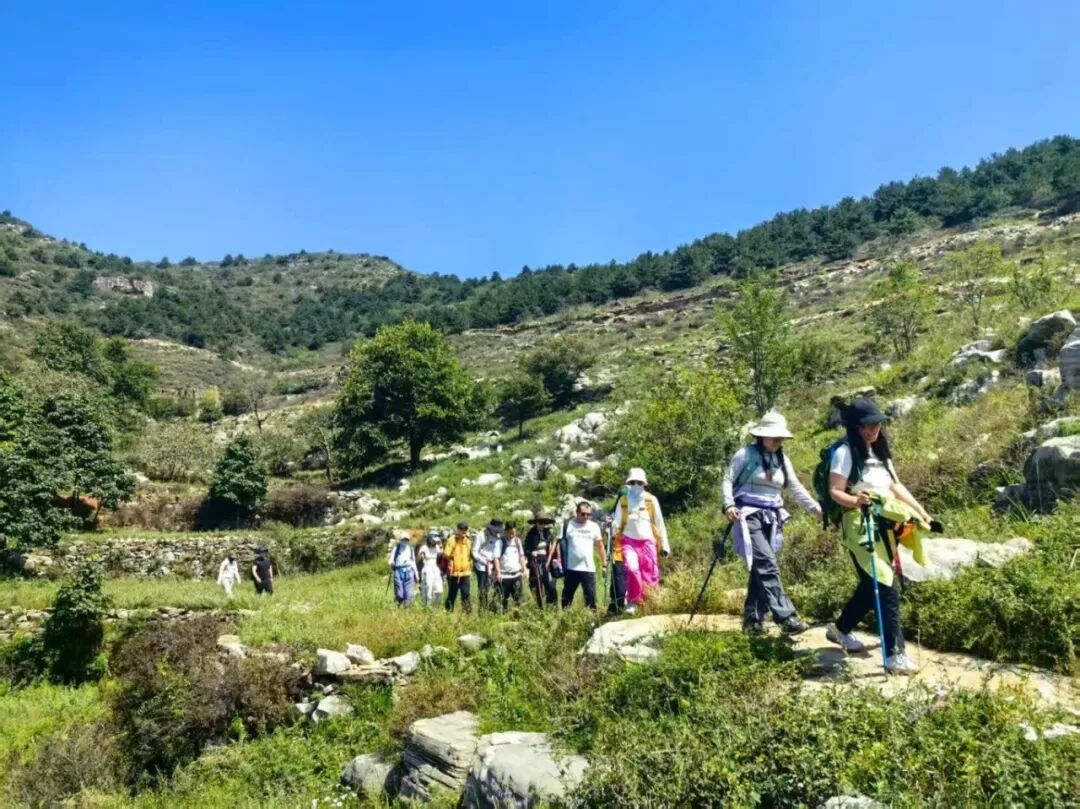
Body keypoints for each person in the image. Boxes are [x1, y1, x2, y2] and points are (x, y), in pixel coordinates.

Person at [826, 398, 933, 675]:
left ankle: (840, 629)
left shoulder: (880, 453)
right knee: (886, 585)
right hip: (859, 525)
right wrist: (855, 500)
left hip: (884, 525)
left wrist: (922, 512)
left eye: (877, 423)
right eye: (868, 425)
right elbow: (835, 491)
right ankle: (895, 655)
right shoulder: (845, 452)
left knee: (870, 583)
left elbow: (895, 487)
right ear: (855, 426)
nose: (874, 428)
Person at [722, 411, 820, 635]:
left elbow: (795, 486)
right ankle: (786, 617)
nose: (778, 441)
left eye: (780, 437)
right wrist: (728, 505)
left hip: (772, 517)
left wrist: (814, 508)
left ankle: (753, 620)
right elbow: (728, 479)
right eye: (774, 436)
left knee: (762, 566)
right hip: (747, 515)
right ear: (762, 435)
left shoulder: (782, 459)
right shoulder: (745, 454)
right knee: (767, 563)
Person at [611, 468, 669, 609]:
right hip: (628, 541)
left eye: (639, 482)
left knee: (649, 573)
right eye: (633, 482)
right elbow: (617, 521)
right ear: (629, 483)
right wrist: (613, 526)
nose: (636, 485)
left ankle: (650, 603)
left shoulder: (651, 500)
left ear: (644, 483)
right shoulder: (623, 501)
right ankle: (633, 601)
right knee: (632, 569)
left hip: (647, 541)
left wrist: (665, 545)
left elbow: (659, 523)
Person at [549, 501, 606, 610]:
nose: (586, 517)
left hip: (588, 568)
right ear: (577, 512)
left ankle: (591, 618)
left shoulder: (594, 526)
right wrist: (549, 560)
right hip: (571, 568)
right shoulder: (567, 525)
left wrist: (604, 564)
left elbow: (600, 546)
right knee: (566, 598)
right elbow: (556, 542)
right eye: (583, 514)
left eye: (589, 514)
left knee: (591, 598)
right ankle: (566, 617)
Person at [524, 511, 558, 607]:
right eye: (540, 522)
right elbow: (525, 550)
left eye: (544, 523)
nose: (542, 525)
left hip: (546, 560)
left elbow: (551, 546)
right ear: (536, 523)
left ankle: (552, 606)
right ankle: (539, 607)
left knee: (550, 585)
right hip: (535, 561)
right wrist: (531, 553)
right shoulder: (531, 534)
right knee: (536, 584)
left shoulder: (547, 533)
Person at [493, 522, 527, 612]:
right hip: (504, 576)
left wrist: (524, 569)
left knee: (518, 600)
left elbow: (521, 556)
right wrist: (498, 572)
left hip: (516, 575)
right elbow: (496, 558)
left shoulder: (517, 541)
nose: (512, 535)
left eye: (513, 533)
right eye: (509, 533)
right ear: (505, 532)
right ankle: (502, 618)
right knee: (502, 601)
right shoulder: (500, 542)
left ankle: (518, 617)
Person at [473, 518, 503, 611]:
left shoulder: (499, 537)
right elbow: (474, 551)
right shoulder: (481, 535)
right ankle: (482, 610)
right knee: (483, 590)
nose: (497, 532)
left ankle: (493, 608)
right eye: (496, 530)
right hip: (482, 567)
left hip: (495, 566)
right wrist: (484, 561)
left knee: (497, 589)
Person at [443, 522, 473, 612]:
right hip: (454, 573)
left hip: (465, 572)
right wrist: (453, 557)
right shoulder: (452, 540)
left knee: (466, 594)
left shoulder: (468, 541)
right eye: (461, 529)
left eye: (465, 529)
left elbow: (470, 555)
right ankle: (448, 612)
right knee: (452, 594)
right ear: (458, 529)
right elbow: (446, 554)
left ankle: (467, 614)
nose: (464, 531)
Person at [388, 531, 420, 608]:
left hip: (409, 571)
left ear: (408, 540)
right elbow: (391, 560)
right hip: (398, 571)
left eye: (406, 540)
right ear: (401, 540)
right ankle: (398, 603)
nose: (405, 541)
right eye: (403, 540)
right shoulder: (396, 548)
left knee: (409, 593)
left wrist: (416, 575)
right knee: (399, 593)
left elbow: (413, 562)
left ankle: (407, 609)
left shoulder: (411, 549)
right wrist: (392, 564)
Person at [416, 530, 445, 607]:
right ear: (430, 539)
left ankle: (435, 605)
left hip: (435, 568)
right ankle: (426, 606)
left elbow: (441, 553)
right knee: (428, 588)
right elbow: (417, 560)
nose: (435, 542)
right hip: (427, 568)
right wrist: (421, 555)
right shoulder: (424, 547)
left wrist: (440, 544)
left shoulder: (436, 547)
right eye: (434, 540)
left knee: (439, 589)